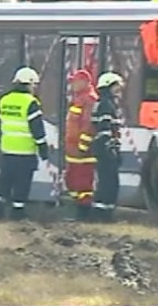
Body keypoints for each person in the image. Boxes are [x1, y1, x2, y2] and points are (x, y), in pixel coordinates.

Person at [0, 67, 49, 221]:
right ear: (29, 85)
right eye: (34, 85)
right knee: (22, 182)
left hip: (7, 149)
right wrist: (43, 150)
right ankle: (18, 210)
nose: (35, 88)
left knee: (5, 180)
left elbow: (0, 125)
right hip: (25, 151)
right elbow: (37, 129)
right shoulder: (31, 103)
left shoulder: (4, 100)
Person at [63, 69, 98, 221]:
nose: (72, 85)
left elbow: (88, 126)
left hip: (82, 153)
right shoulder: (79, 98)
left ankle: (84, 213)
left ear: (84, 82)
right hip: (73, 151)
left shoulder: (89, 100)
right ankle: (78, 209)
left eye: (75, 81)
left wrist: (83, 147)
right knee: (72, 181)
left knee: (83, 183)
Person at [90, 71, 125, 222]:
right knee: (109, 182)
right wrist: (111, 148)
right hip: (105, 150)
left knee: (106, 181)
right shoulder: (106, 104)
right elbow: (104, 129)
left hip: (103, 148)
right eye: (116, 86)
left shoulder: (104, 103)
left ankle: (102, 211)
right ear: (108, 86)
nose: (119, 89)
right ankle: (104, 214)